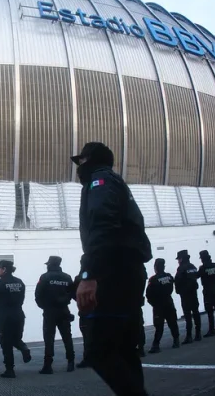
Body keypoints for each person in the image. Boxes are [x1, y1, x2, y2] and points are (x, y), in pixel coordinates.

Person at [72, 141, 151, 396]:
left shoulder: (99, 182)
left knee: (100, 351)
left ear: (89, 160)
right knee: (124, 350)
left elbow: (103, 227)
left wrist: (89, 274)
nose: (78, 168)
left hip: (113, 274)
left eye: (80, 161)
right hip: (128, 271)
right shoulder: (115, 182)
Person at [0, 260, 31, 378]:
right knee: (16, 338)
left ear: (4, 269)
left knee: (5, 343)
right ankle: (24, 348)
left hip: (4, 316)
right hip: (18, 314)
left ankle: (10, 370)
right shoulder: (19, 282)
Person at [35, 256, 75, 374]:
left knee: (49, 339)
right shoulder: (67, 277)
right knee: (67, 337)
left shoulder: (45, 277)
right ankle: (71, 362)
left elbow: (38, 294)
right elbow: (72, 293)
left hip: (49, 311)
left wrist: (44, 306)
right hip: (64, 310)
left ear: (49, 264)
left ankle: (48, 366)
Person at [145, 258, 180, 353]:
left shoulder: (153, 279)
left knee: (159, 326)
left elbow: (148, 295)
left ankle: (156, 345)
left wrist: (153, 304)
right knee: (173, 323)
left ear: (156, 267)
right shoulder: (169, 277)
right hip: (169, 302)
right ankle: (176, 341)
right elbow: (171, 288)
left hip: (159, 306)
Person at [174, 250, 201, 344]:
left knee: (188, 315)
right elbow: (197, 276)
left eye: (178, 259)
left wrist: (178, 291)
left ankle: (189, 336)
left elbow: (177, 280)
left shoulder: (181, 268)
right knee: (196, 313)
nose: (178, 261)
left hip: (185, 295)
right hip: (194, 293)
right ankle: (198, 334)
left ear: (181, 259)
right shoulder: (192, 266)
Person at [198, 250, 215, 337]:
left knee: (209, 311)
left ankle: (211, 329)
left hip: (207, 291)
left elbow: (197, 276)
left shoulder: (202, 268)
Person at [72, 272, 91, 368]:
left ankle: (88, 359)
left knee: (87, 336)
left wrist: (81, 300)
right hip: (101, 310)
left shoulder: (79, 278)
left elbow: (73, 293)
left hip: (85, 310)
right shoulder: (103, 274)